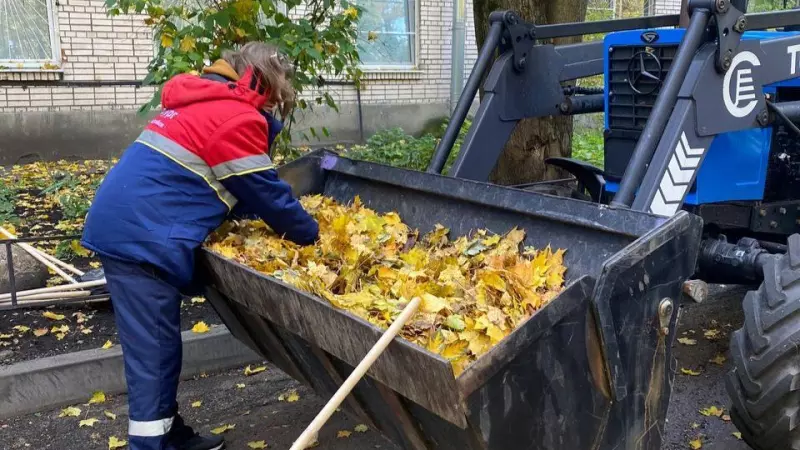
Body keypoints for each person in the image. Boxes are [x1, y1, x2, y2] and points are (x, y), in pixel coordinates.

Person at [81, 42, 319, 450]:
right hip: (140, 238)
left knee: (159, 348)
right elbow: (265, 194)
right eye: (280, 87)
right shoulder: (235, 117)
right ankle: (151, 445)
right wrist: (312, 234)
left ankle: (170, 436)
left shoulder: (203, 103)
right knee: (154, 354)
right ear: (262, 80)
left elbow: (231, 187)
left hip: (133, 227)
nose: (281, 97)